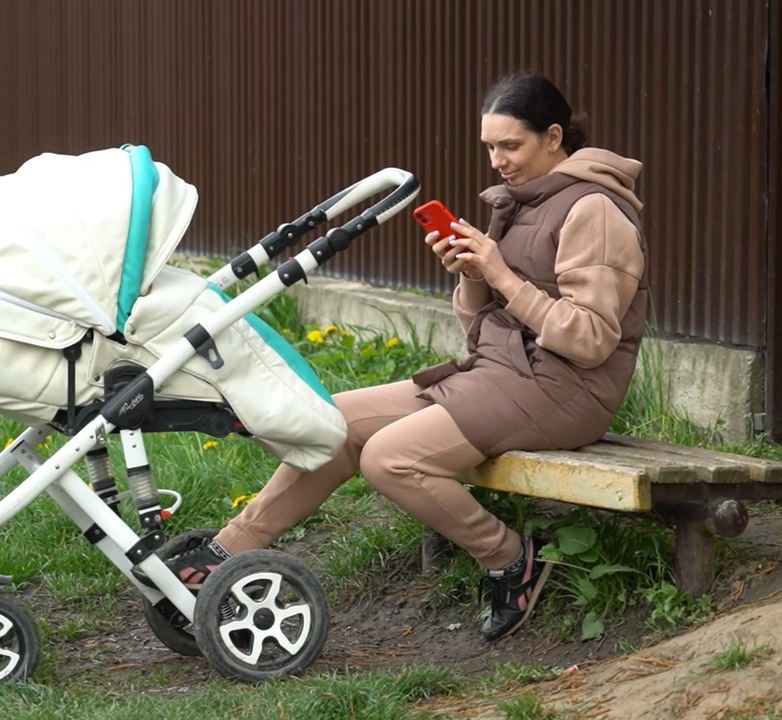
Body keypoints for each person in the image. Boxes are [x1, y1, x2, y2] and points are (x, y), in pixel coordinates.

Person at [157, 72, 648, 641]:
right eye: (489, 147)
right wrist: (472, 278)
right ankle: (227, 552)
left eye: (510, 145)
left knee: (390, 457)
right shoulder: (523, 201)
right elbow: (484, 324)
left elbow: (590, 339)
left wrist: (499, 272)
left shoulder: (595, 209)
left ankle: (513, 559)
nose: (497, 161)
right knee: (331, 422)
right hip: (500, 374)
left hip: (566, 391)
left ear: (555, 136)